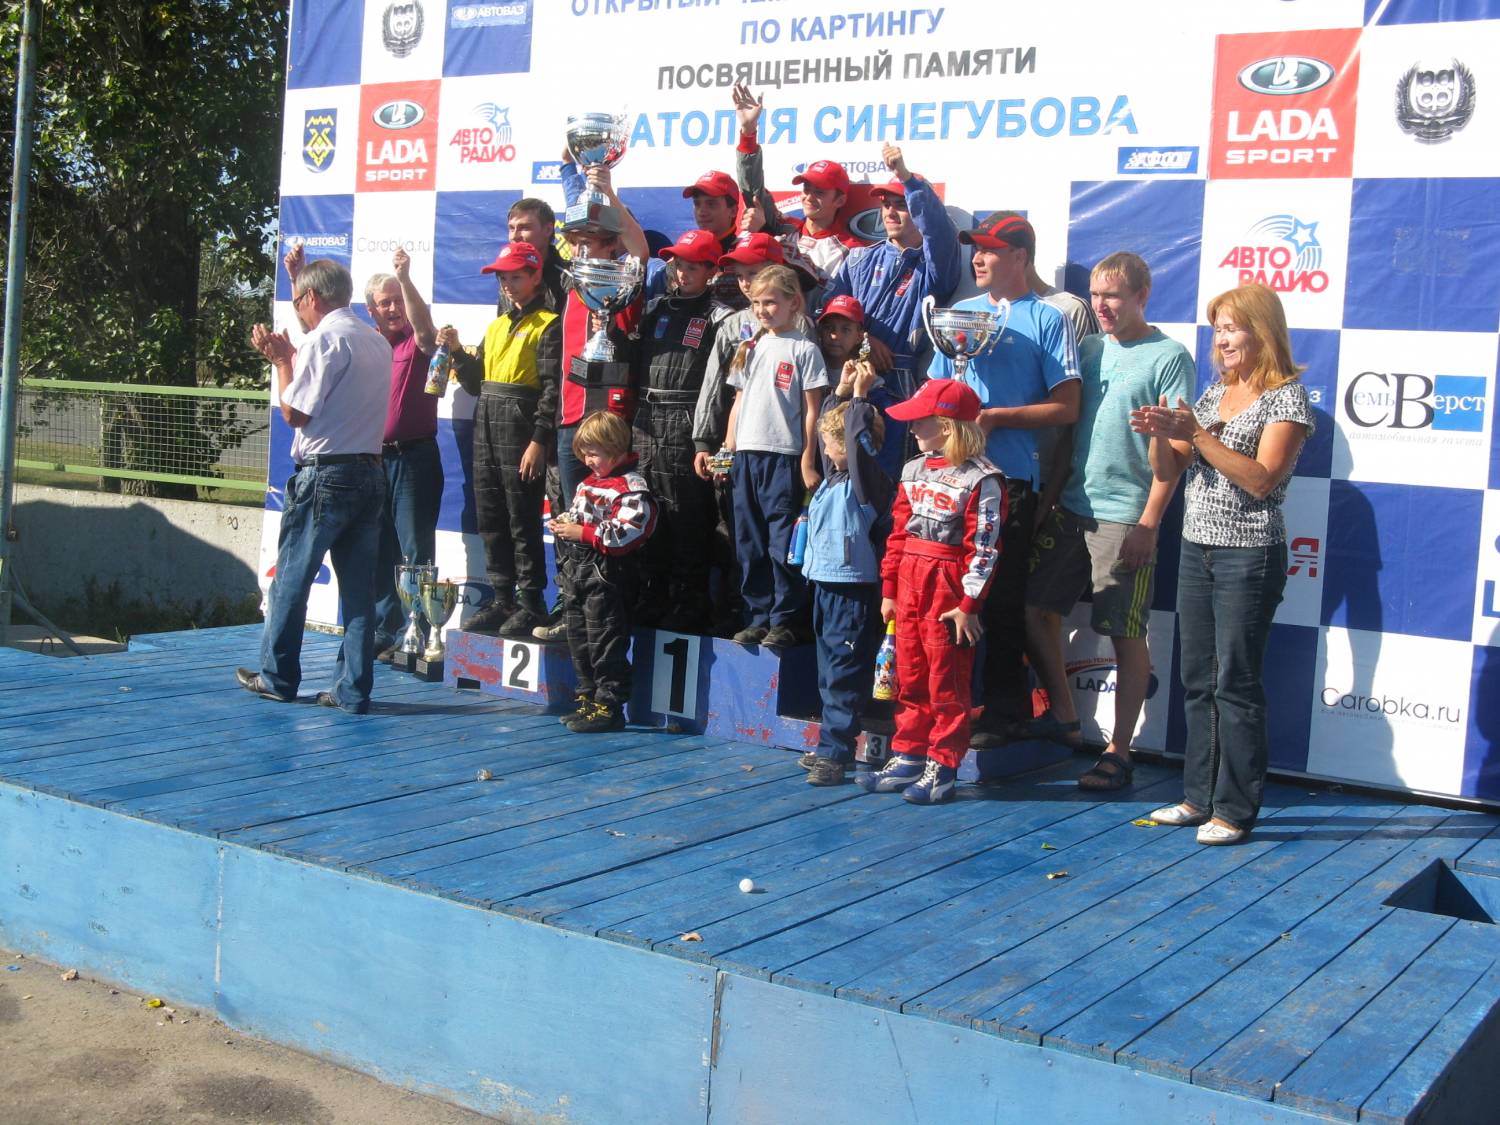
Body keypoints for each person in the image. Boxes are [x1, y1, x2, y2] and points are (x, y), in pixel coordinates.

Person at [1131, 283, 1313, 845]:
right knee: (1197, 679)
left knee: (1235, 682)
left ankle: (1234, 810)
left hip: (1249, 554)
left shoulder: (1287, 399)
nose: (1222, 339)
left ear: (1263, 330)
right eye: (1218, 329)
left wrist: (1195, 433)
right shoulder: (1215, 393)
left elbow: (1261, 481)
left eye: (1232, 327)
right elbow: (1170, 469)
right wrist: (1161, 436)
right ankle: (1197, 798)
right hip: (1196, 547)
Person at [1023, 252, 1193, 790]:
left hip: (1125, 518)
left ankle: (1120, 751)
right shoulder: (1090, 349)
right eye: (1096, 294)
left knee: (1125, 634)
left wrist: (1149, 524)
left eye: (1114, 295)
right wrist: (1051, 498)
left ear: (1143, 296)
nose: (1102, 304)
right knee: (1033, 609)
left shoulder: (1170, 356)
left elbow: (1178, 452)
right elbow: (1070, 434)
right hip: (1072, 506)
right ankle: (1067, 718)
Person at [929, 212, 1081, 747]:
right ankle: (943, 704)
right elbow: (935, 394)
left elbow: (1067, 407)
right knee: (945, 592)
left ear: (1021, 257)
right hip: (952, 476)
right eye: (976, 249)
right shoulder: (959, 315)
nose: (978, 258)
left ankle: (1004, 712)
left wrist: (995, 419)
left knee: (1001, 599)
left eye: (990, 250)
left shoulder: (1049, 317)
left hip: (1010, 478)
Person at [240, 259, 391, 713]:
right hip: (370, 470)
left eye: (298, 301)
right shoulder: (374, 340)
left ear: (311, 298)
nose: (298, 311)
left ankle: (277, 677)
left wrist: (282, 362)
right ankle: (353, 690)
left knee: (291, 579)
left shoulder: (325, 339)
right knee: (359, 592)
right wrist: (292, 356)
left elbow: (295, 413)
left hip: (326, 475)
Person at [857, 379, 1004, 804]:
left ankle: (942, 766)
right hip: (909, 580)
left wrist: (969, 604)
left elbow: (985, 548)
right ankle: (908, 754)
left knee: (946, 680)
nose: (913, 428)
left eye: (921, 420)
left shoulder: (983, 478)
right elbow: (898, 534)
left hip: (948, 588)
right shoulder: (913, 469)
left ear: (947, 426)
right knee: (909, 674)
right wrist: (889, 588)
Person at [332, 248, 448, 663]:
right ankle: (385, 628)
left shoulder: (418, 341)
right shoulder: (367, 345)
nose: (394, 308)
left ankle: (417, 633)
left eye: (398, 301)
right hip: (373, 460)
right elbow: (318, 339)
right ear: (371, 310)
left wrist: (405, 278)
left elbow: (426, 331)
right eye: (385, 303)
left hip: (415, 458)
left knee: (414, 550)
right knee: (380, 549)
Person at [820, 142, 964, 466]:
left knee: (885, 475)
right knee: (840, 468)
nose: (889, 212)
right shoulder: (858, 259)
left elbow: (940, 233)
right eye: (885, 204)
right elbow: (825, 314)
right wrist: (864, 339)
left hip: (898, 384)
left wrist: (908, 179)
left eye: (902, 204)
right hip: (847, 377)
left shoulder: (934, 267)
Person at [449, 241, 561, 637]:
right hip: (486, 424)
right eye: (503, 278)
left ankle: (531, 603)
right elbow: (475, 383)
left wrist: (539, 440)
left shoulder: (549, 323)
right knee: (491, 517)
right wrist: (457, 353)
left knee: (522, 518)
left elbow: (552, 390)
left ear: (535, 276)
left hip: (521, 427)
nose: (508, 284)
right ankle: (502, 598)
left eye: (516, 276)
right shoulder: (496, 326)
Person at [723, 264, 829, 649]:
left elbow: (813, 411)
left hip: (783, 457)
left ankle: (784, 621)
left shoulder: (804, 349)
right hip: (746, 457)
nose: (762, 310)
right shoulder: (749, 347)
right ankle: (757, 617)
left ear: (793, 303)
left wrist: (806, 460)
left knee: (781, 545)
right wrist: (727, 448)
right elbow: (738, 403)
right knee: (749, 543)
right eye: (756, 303)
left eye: (771, 302)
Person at [632, 229, 732, 633]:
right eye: (677, 264)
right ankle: (651, 596)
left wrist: (707, 437)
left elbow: (723, 385)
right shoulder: (654, 308)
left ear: (711, 271)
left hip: (687, 420)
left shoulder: (720, 316)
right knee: (646, 508)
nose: (682, 273)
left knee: (686, 515)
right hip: (645, 418)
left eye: (692, 266)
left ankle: (689, 603)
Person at [800, 362, 894, 785]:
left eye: (829, 444)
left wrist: (859, 398)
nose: (824, 451)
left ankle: (836, 752)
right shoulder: (833, 480)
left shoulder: (866, 483)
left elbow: (854, 446)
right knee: (827, 673)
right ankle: (832, 744)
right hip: (825, 587)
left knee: (843, 672)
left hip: (852, 591)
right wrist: (839, 392)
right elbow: (835, 442)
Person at [549, 411, 657, 733]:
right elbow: (579, 516)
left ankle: (609, 707)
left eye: (593, 454)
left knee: (605, 643)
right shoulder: (587, 483)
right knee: (579, 641)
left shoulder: (631, 486)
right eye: (584, 454)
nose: (587, 460)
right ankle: (587, 700)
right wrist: (565, 523)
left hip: (608, 577)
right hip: (577, 574)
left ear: (615, 449)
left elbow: (630, 531)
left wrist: (582, 533)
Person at [731, 83, 863, 291]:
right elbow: (753, 191)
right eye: (806, 189)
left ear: (840, 200)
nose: (808, 197)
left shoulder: (851, 250)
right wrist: (748, 132)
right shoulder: (785, 227)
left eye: (819, 192)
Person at [497, 198, 567, 314]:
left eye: (524, 228)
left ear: (548, 230)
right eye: (511, 228)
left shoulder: (568, 278)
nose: (514, 236)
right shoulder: (508, 273)